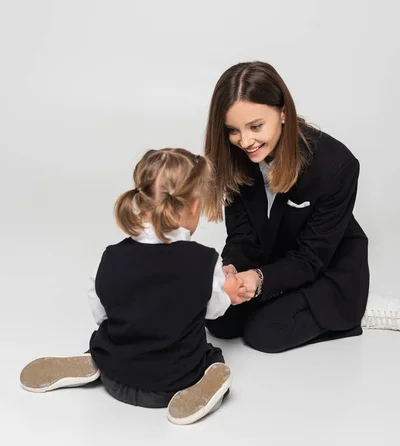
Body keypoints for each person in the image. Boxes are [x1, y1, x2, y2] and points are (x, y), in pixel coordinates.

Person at [20, 148, 247, 425]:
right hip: (171, 384)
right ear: (194, 206)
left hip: (115, 378)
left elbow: (100, 305)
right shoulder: (203, 261)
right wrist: (229, 292)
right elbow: (213, 311)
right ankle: (209, 384)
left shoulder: (111, 256)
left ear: (140, 202)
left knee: (110, 334)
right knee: (212, 354)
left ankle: (98, 359)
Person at [204, 61, 399, 353]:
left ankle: (359, 307)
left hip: (325, 265)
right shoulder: (235, 158)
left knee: (265, 333)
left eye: (256, 126)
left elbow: (311, 258)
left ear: (283, 112)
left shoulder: (337, 166)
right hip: (274, 258)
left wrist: (259, 279)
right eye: (233, 130)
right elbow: (242, 236)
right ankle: (274, 296)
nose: (245, 141)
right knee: (220, 321)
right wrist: (231, 269)